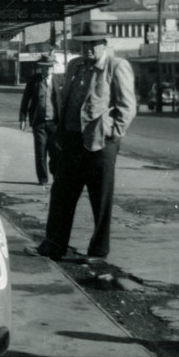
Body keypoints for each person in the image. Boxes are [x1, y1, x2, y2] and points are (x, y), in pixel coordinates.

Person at [28, 21, 137, 263]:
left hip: (100, 143)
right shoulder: (75, 66)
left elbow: (127, 108)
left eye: (93, 44)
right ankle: (54, 245)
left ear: (104, 43)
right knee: (61, 194)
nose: (87, 49)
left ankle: (98, 252)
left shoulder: (116, 66)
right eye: (83, 44)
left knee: (101, 198)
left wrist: (112, 134)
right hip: (71, 142)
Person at [18, 53, 59, 187]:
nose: (47, 70)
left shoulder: (59, 81)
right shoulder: (34, 81)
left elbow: (64, 101)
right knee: (41, 152)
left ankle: (57, 175)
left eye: (50, 68)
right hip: (39, 123)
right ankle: (42, 179)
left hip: (55, 123)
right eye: (45, 68)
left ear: (53, 68)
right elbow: (26, 100)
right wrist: (23, 118)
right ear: (41, 68)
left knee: (56, 152)